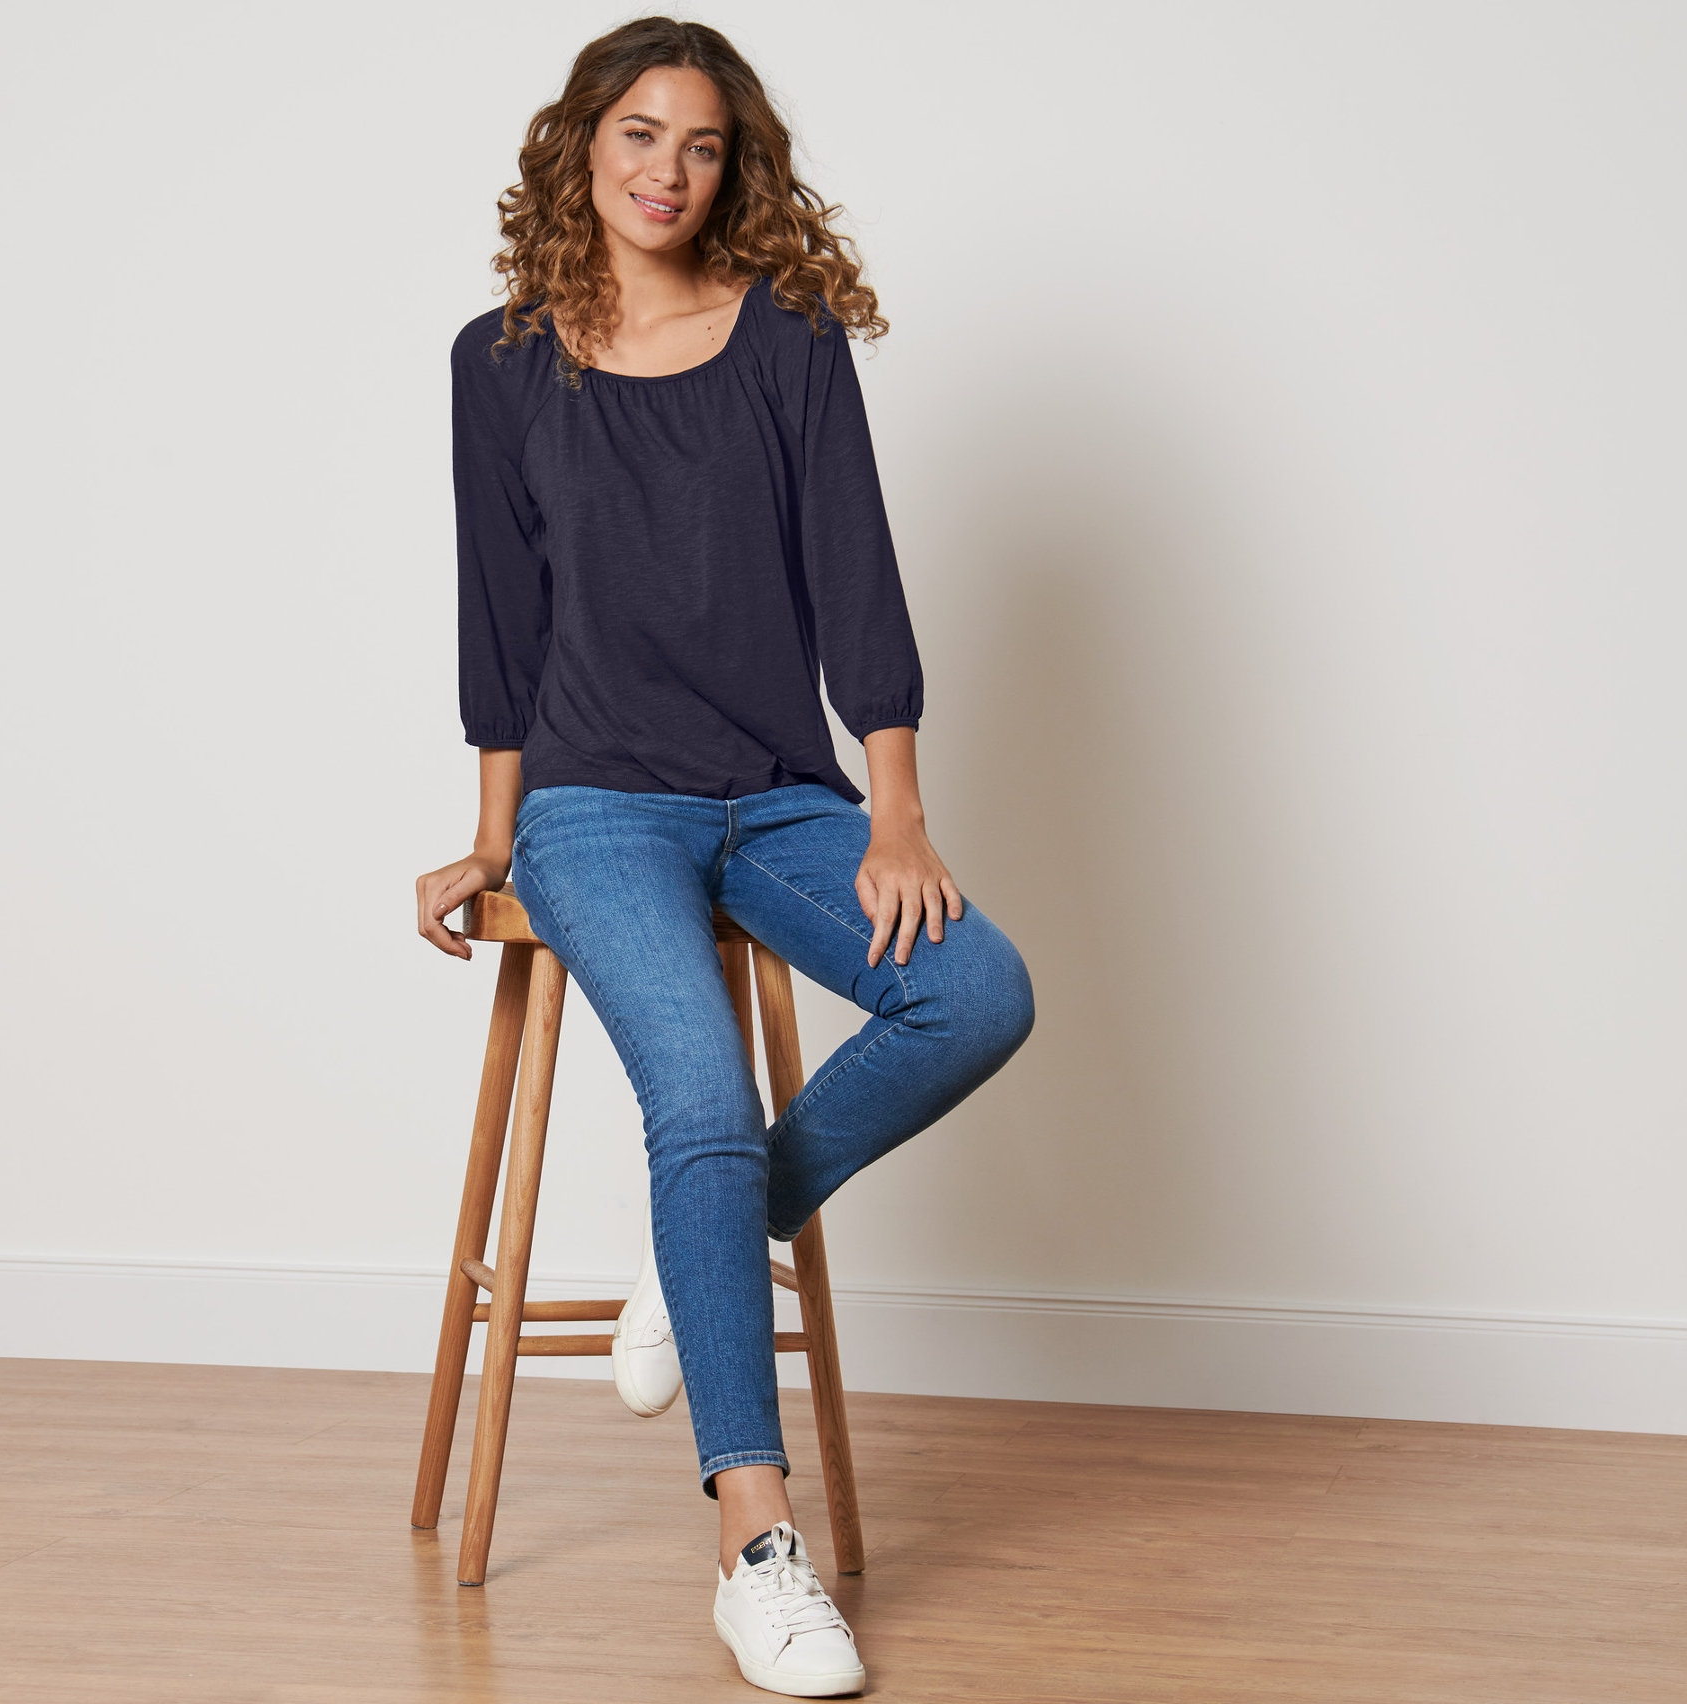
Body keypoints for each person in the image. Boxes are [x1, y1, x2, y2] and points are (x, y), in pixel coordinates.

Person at [414, 18, 1035, 1696]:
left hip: (777, 793)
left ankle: (714, 1237)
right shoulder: (499, 360)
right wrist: (491, 842)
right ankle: (757, 1546)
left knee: (977, 991)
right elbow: (502, 620)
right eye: (638, 136)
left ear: (734, 164)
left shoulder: (790, 342)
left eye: (700, 145)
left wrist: (894, 812)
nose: (667, 172)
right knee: (691, 1095)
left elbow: (858, 582)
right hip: (595, 806)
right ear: (581, 144)